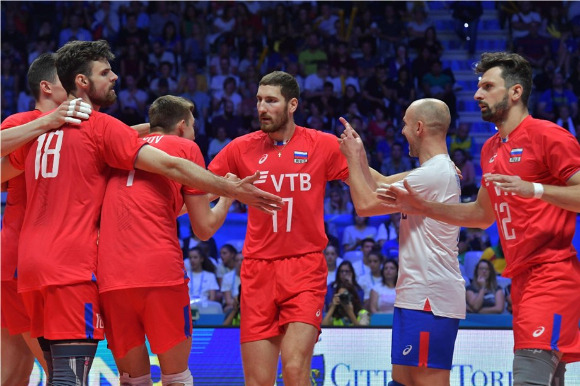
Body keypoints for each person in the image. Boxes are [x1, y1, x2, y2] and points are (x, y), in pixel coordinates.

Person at [1, 40, 281, 385]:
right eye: (105, 72)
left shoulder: (37, 131)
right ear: (82, 82)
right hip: (70, 267)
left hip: (29, 269)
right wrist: (231, 189)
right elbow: (169, 165)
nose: (115, 77)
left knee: (47, 371)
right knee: (68, 378)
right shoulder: (99, 127)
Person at [381, 52, 580, 385]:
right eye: (478, 87)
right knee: (549, 376)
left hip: (553, 274)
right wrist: (422, 206)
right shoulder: (491, 149)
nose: (477, 94)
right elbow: (480, 215)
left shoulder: (549, 136)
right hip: (521, 278)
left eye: (488, 86)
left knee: (529, 374)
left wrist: (533, 189)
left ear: (515, 92)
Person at [208, 70, 349, 385]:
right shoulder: (239, 148)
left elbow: (370, 181)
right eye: (259, 100)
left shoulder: (322, 145)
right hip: (258, 272)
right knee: (258, 381)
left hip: (305, 268)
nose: (261, 107)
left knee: (296, 370)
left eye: (271, 100)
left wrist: (415, 181)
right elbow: (199, 190)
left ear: (292, 104)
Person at [97, 95, 235, 384]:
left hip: (112, 279)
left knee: (133, 381)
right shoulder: (186, 147)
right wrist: (228, 196)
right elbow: (204, 229)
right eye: (193, 126)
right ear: (183, 126)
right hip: (160, 275)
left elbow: (156, 206)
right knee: (177, 378)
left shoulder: (118, 147)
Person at [338, 98, 466, 386]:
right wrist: (356, 154)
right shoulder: (433, 171)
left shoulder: (434, 174)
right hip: (417, 295)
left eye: (405, 124)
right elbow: (380, 183)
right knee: (403, 380)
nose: (402, 131)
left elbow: (366, 205)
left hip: (429, 297)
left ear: (419, 127)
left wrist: (350, 159)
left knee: (423, 381)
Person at [0, 52, 91, 386]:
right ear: (47, 87)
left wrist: (153, 130)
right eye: (66, 81)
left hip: (34, 260)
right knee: (60, 373)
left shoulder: (74, 126)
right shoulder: (20, 121)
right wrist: (45, 123)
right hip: (22, 261)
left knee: (14, 372)